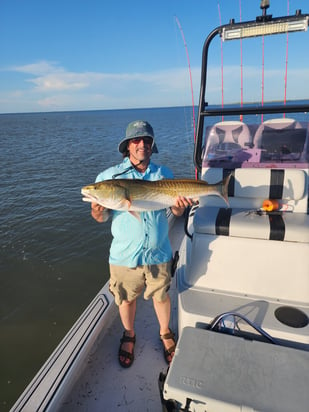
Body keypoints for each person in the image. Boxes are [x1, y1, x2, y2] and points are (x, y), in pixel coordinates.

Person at [90, 120, 193, 368]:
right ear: (127, 146)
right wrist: (97, 211)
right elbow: (102, 217)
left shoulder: (164, 174)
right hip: (125, 255)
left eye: (146, 140)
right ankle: (129, 334)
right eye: (136, 140)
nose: (142, 144)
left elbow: (174, 212)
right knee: (126, 298)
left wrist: (179, 209)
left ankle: (165, 333)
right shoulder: (109, 178)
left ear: (152, 145)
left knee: (161, 295)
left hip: (158, 252)